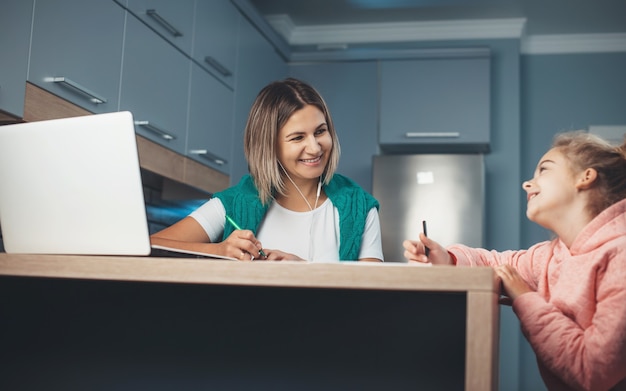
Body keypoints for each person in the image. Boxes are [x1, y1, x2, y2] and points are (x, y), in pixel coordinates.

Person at [403, 130, 626, 390]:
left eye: (544, 169)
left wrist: (524, 298)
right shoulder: (550, 256)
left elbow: (594, 372)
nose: (527, 184)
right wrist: (447, 259)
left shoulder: (620, 255)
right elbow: (495, 264)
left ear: (585, 177)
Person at [151, 78, 383, 262]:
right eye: (297, 137)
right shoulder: (235, 203)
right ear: (269, 146)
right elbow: (149, 246)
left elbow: (372, 293)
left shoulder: (359, 206)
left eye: (320, 132)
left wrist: (304, 272)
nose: (314, 147)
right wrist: (218, 251)